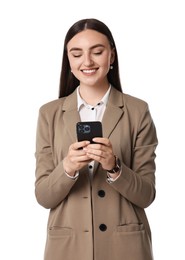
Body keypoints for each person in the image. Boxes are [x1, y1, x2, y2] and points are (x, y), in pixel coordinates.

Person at [34, 18, 158, 260]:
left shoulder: (137, 110)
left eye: (97, 52)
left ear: (111, 56)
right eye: (77, 54)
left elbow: (147, 195)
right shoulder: (48, 114)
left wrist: (115, 167)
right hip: (68, 249)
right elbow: (43, 196)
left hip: (125, 248)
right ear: (68, 60)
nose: (87, 62)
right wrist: (67, 168)